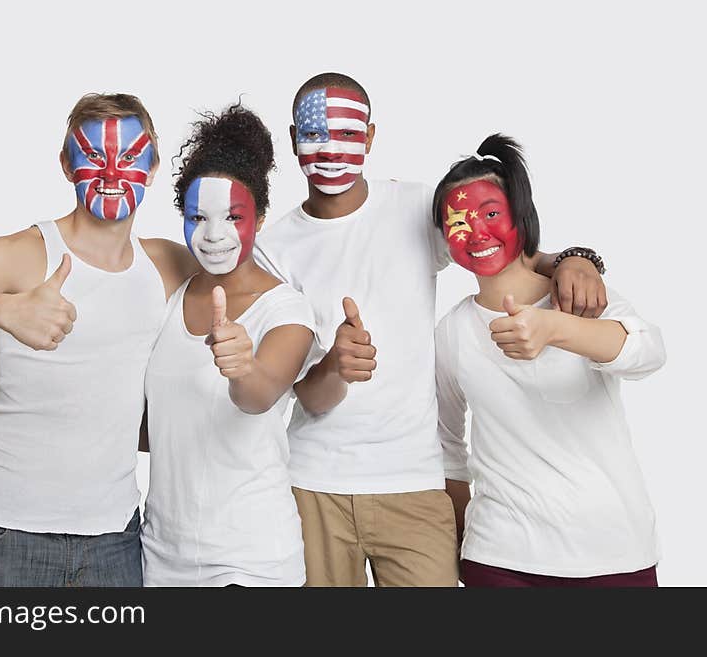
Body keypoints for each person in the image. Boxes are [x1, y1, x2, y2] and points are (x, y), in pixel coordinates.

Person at [254, 72, 610, 586]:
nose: (331, 149)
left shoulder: (417, 207)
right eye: (314, 135)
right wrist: (335, 364)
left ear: (371, 137)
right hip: (313, 486)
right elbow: (302, 394)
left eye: (349, 135)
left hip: (416, 486)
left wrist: (575, 259)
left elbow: (500, 249)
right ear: (292, 139)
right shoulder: (276, 246)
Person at [0, 93, 196, 586]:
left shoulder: (167, 264)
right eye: (93, 157)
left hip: (116, 537)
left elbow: (245, 285)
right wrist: (2, 309)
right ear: (66, 165)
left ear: (154, 163)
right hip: (7, 533)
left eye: (130, 157)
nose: (113, 175)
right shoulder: (25, 253)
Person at [434, 134, 664, 587]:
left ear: (522, 215)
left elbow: (647, 352)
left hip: (614, 550)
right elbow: (445, 447)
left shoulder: (581, 295)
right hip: (500, 558)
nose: (476, 232)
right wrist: (465, 545)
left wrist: (556, 329)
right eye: (458, 221)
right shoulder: (453, 331)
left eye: (492, 213)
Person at [141, 104, 319, 586]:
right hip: (160, 560)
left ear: (259, 218)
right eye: (198, 216)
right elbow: (154, 429)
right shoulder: (170, 297)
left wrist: (243, 368)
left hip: (249, 563)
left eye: (232, 217)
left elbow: (259, 394)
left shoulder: (286, 310)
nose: (213, 234)